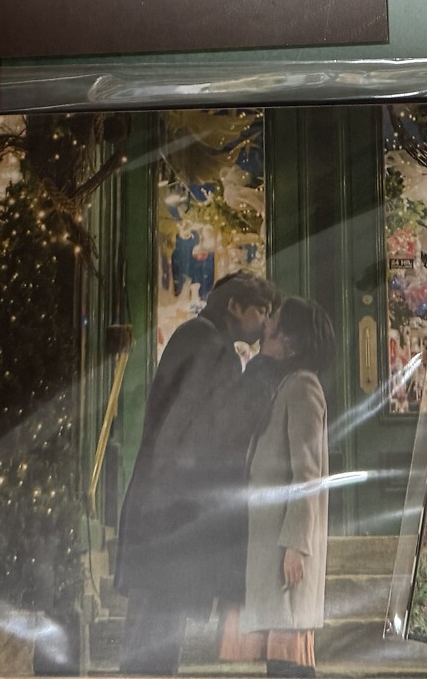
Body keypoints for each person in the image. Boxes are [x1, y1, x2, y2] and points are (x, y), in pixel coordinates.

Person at [114, 270, 281, 677]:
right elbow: (213, 432)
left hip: (162, 509)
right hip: (176, 516)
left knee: (149, 631)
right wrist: (263, 371)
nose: (265, 320)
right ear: (234, 306)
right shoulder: (211, 348)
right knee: (157, 637)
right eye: (261, 310)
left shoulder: (194, 337)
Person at [221, 296, 338, 678]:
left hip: (284, 546)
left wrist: (296, 545)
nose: (267, 322)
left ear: (289, 340)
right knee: (279, 650)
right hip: (272, 541)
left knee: (288, 654)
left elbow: (308, 474)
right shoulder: (287, 383)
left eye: (275, 320)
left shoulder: (302, 387)